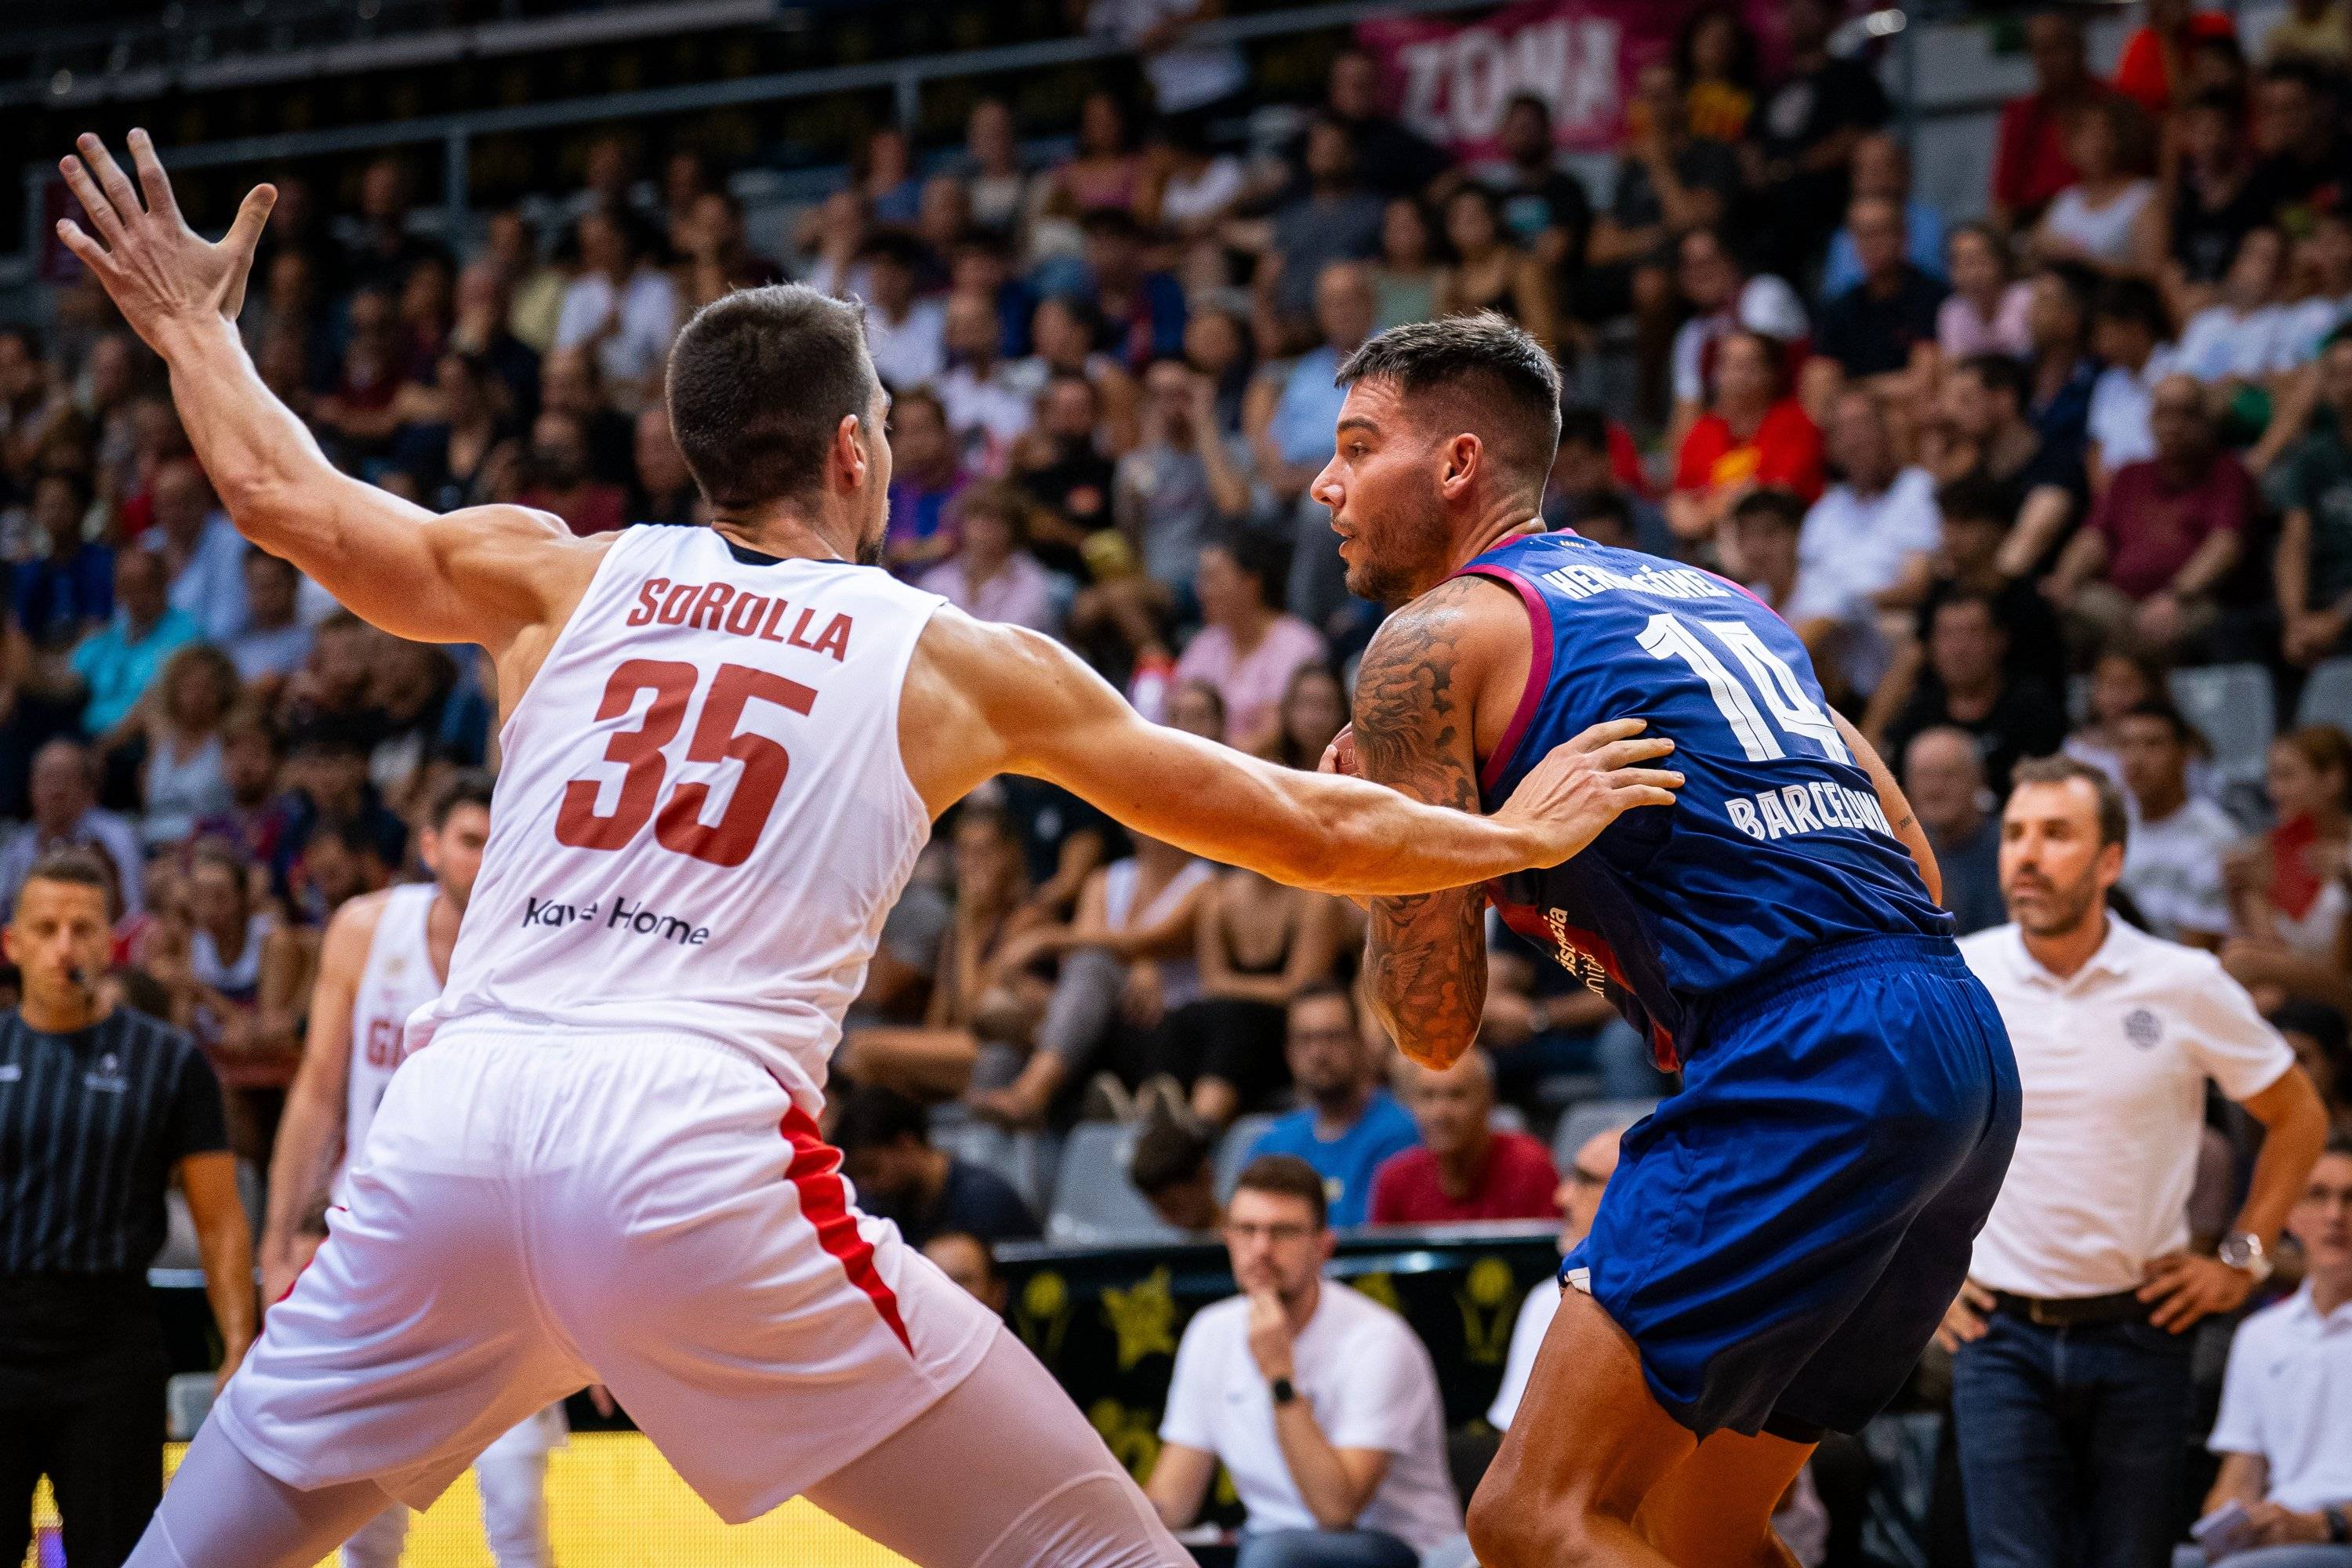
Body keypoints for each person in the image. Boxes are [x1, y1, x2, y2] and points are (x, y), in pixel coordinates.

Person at [61, 135, 1668, 1568]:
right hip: (688, 1147)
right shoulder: (951, 654)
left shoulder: (551, 576)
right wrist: (1511, 832)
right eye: (886, 428)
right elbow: (1302, 824)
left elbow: (281, 494)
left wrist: (194, 325)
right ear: (850, 449)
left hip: (451, 1136)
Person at [1307, 310, 2015, 1568]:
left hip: (1805, 1050)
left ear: (1459, 463)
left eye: (1358, 447)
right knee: (1705, 1532)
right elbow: (1901, 840)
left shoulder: (1429, 643)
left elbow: (1430, 1029)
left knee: (1533, 1519)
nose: (1326, 483)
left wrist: (1402, 845)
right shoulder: (1719, 599)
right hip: (1956, 1043)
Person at [1939, 757, 2329, 1568]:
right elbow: (1890, 1129)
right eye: (2014, 833)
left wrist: (2243, 1258)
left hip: (2144, 1327)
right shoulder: (1962, 975)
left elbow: (2298, 1115)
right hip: (1998, 1333)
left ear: (2111, 859)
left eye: (2056, 833)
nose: (2027, 854)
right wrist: (1916, 1269)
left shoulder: (2184, 981)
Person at [253, 773, 565, 1568]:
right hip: (376, 1236)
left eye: (502, 840)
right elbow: (319, 1085)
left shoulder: (553, 943)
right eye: (469, 838)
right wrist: (282, 1231)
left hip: (502, 1246)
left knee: (517, 1499)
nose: (487, 857)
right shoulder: (365, 927)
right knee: (362, 1495)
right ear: (429, 846)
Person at [0, 850, 254, 1568]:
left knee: (120, 1556)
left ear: (110, 942)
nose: (64, 946)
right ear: (12, 943)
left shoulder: (170, 1063)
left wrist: (238, 1345)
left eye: (82, 928)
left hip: (110, 1343)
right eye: (45, 928)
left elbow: (220, 1221)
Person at [1145, 1156, 1462, 1567]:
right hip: (1270, 1543)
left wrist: (1279, 1375)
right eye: (1246, 1230)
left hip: (1398, 1549)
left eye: (1283, 1232)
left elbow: (1337, 1511)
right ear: (1227, 1238)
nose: (1260, 1248)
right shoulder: (1210, 1331)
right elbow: (1173, 1502)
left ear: (1323, 1246)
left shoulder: (1378, 1342)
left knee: (1275, 1555)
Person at [2192, 1135, 2352, 1564]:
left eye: (2351, 1198)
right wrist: (2232, 1521)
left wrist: (2323, 1523)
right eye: (2318, 1196)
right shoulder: (2260, 1335)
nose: (2336, 1215)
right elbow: (2240, 1474)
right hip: (2282, 1537)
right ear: (2292, 1215)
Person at [2053, 372, 2250, 661]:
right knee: (2061, 609)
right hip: (2120, 600)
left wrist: (2175, 595)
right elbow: (2094, 538)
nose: (2171, 426)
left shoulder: (2228, 472)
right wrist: (2065, 580)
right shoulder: (2129, 475)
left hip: (2190, 601)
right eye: (2162, 414)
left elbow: (2224, 546)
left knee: (2173, 626)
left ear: (2206, 421)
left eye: (2185, 414)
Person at [1248, 984, 1420, 1229]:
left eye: (1333, 1037)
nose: (1318, 1053)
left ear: (1360, 1043)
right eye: (1305, 1040)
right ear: (1289, 1054)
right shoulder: (1273, 1144)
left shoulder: (1401, 1133)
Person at [1883, 593, 2070, 799]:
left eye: (1972, 633)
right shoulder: (1916, 713)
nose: (1958, 648)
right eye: (1946, 635)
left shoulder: (2033, 709)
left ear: (1999, 640)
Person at [832, 1082, 1040, 1249]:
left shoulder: (983, 1200)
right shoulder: (887, 1205)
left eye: (871, 1170)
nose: (865, 1185)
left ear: (906, 1145)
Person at [1367, 1051, 1555, 1225]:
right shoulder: (1395, 1181)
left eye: (1457, 1095)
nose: (1440, 1113)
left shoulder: (1532, 1168)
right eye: (1428, 1096)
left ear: (1489, 1100)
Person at [2116, 702, 2237, 949]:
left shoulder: (2214, 836)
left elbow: (2196, 954)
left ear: (2185, 754)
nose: (2135, 760)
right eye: (2126, 745)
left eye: (2152, 744)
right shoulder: (2113, 827)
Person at [0, 738, 145, 923]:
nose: (56, 790)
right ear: (32, 788)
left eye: (65, 778)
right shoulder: (16, 848)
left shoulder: (116, 837)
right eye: (47, 778)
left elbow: (134, 918)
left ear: (88, 790)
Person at [1903, 727, 2007, 937]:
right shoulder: (1897, 855)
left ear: (1979, 778)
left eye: (1948, 775)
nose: (1935, 790)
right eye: (1924, 777)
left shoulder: (2008, 849)